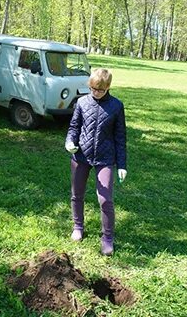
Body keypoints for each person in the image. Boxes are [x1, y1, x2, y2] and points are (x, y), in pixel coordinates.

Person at [65, 68, 127, 256]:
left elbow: (120, 137)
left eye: (99, 90)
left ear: (108, 87)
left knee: (105, 199)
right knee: (77, 194)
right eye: (92, 89)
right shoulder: (82, 102)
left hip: (105, 158)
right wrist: (69, 141)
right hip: (81, 155)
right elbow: (74, 127)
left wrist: (122, 164)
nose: (95, 93)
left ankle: (107, 237)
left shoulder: (116, 106)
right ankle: (78, 226)